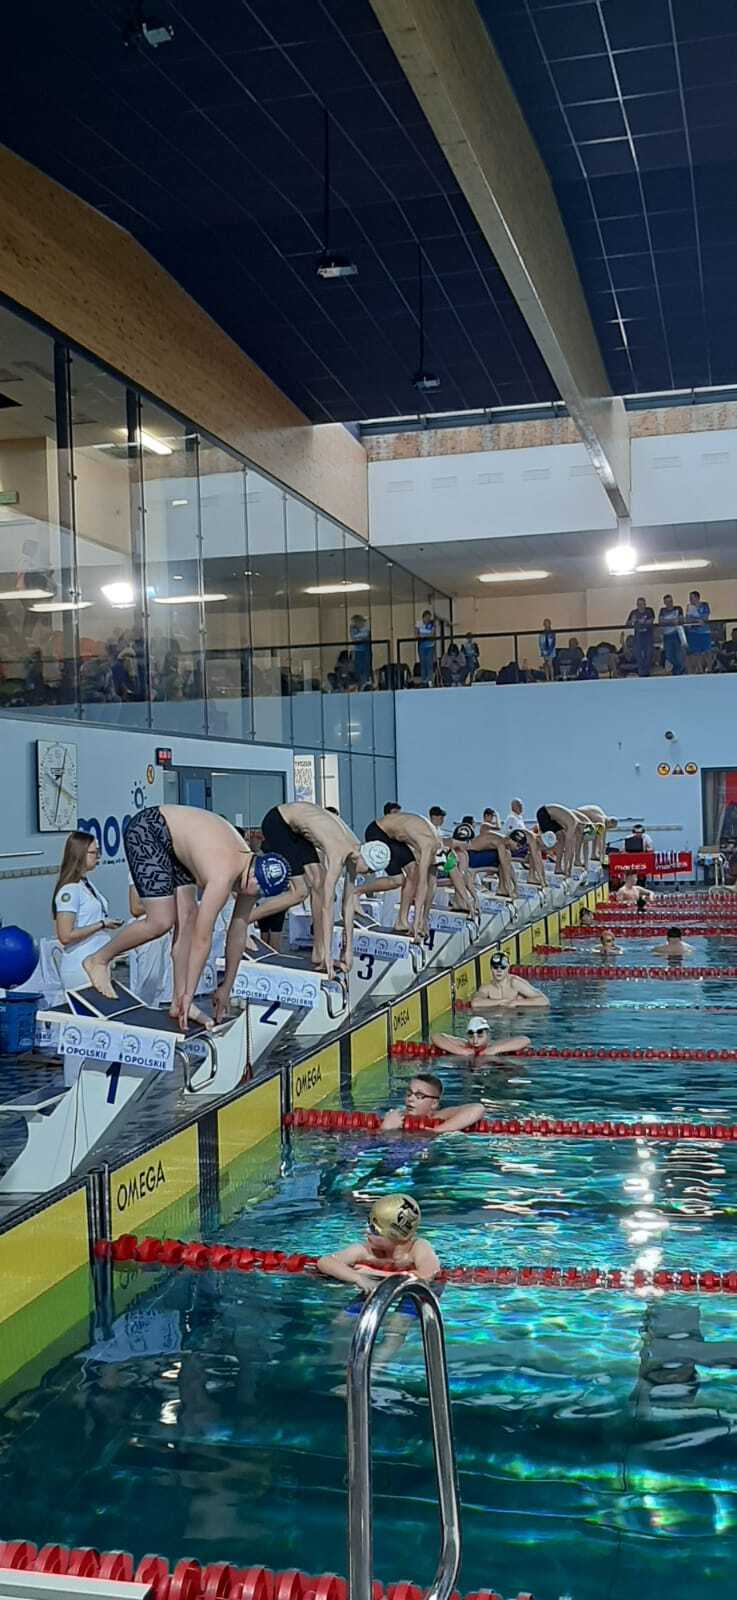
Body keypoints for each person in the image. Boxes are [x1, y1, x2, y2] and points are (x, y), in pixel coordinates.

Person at [81, 804, 292, 1028]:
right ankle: (98, 960)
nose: (251, 896)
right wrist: (192, 993)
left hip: (177, 844)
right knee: (161, 921)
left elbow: (237, 932)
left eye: (259, 894)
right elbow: (202, 939)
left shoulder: (251, 875)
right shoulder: (223, 874)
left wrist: (227, 987)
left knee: (188, 917)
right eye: (255, 890)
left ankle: (179, 1002)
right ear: (253, 873)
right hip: (150, 828)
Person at [256, 802, 391, 979]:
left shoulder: (355, 851)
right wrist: (330, 956)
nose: (368, 874)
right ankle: (244, 921)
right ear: (363, 858)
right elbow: (327, 907)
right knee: (300, 892)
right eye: (369, 870)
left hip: (296, 829)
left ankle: (318, 953)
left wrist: (348, 950)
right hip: (278, 821)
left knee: (318, 881)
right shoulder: (338, 852)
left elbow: (348, 904)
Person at [363, 809, 477, 938]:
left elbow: (444, 881)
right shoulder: (427, 848)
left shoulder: (440, 848)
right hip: (378, 831)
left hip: (394, 837)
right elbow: (422, 885)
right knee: (399, 879)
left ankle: (401, 922)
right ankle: (357, 892)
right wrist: (417, 921)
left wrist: (469, 903)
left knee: (413, 872)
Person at [316, 1194, 440, 1290]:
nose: (366, 1231)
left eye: (374, 1230)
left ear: (395, 1236)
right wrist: (358, 1278)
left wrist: (373, 1273)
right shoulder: (365, 1251)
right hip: (385, 1283)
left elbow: (426, 1275)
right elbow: (325, 1261)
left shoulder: (418, 1247)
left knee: (402, 1316)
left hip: (418, 1288)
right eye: (368, 1224)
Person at [52, 831, 123, 991]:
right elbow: (65, 936)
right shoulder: (70, 890)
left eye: (98, 852)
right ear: (79, 854)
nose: (98, 857)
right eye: (93, 853)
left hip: (97, 963)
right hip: (80, 966)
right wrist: (101, 924)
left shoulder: (85, 884)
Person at [381, 1072, 485, 1132]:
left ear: (434, 1103)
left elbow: (478, 1109)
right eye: (409, 1093)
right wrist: (385, 1129)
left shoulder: (439, 1116)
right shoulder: (397, 1116)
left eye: (419, 1095)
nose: (410, 1099)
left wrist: (435, 1132)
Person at [471, 950, 549, 1009]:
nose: (499, 970)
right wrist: (502, 1001)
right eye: (495, 967)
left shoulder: (515, 983)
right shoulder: (487, 987)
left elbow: (544, 1000)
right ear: (491, 968)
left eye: (503, 967)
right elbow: (475, 1003)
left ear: (508, 967)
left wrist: (516, 1002)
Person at [430, 1018, 532, 1062]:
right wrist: (460, 1051)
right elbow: (436, 1036)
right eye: (471, 1036)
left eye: (480, 1036)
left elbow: (524, 1040)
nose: (475, 1041)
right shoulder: (464, 1045)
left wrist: (494, 1050)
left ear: (488, 1035)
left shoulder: (493, 1045)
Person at [535, 802, 587, 876]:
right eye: (580, 835)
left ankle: (558, 868)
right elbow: (568, 850)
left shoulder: (574, 824)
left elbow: (571, 849)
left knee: (561, 838)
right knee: (561, 839)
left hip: (551, 816)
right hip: (544, 813)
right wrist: (567, 870)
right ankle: (533, 847)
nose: (578, 836)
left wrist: (569, 868)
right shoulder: (573, 824)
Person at [625, 598, 656, 678]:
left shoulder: (649, 611)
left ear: (645, 604)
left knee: (648, 654)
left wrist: (642, 622)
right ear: (637, 605)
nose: (641, 606)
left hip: (648, 635)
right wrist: (632, 621)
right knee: (638, 654)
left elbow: (651, 621)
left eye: (642, 604)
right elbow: (627, 624)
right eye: (639, 604)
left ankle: (646, 673)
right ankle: (641, 673)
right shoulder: (633, 612)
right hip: (638, 636)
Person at [658, 594, 685, 676]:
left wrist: (668, 621)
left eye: (670, 601)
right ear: (664, 603)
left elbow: (680, 620)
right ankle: (678, 669)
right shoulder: (662, 610)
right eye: (667, 602)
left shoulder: (678, 608)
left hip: (676, 634)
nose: (669, 603)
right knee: (669, 656)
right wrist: (672, 621)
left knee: (678, 655)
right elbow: (661, 621)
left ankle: (679, 672)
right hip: (667, 635)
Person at [685, 591, 712, 673]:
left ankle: (710, 669)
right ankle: (700, 670)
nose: (690, 600)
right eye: (690, 598)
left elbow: (705, 618)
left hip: (704, 632)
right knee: (696, 652)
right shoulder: (689, 607)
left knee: (707, 651)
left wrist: (696, 619)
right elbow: (688, 619)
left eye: (692, 598)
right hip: (693, 633)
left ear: (697, 598)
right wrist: (697, 620)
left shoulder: (704, 605)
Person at [350, 613, 372, 687]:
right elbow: (354, 638)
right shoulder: (353, 628)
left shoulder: (365, 628)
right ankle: (359, 684)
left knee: (365, 668)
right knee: (358, 669)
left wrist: (359, 637)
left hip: (365, 650)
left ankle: (365, 683)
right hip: (358, 651)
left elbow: (366, 635)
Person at [415, 609, 436, 687]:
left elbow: (432, 634)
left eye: (429, 618)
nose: (428, 620)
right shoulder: (418, 623)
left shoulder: (432, 624)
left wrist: (422, 635)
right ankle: (423, 681)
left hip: (430, 646)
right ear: (423, 618)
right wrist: (425, 635)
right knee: (423, 663)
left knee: (429, 664)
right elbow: (417, 635)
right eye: (427, 618)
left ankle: (430, 681)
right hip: (421, 646)